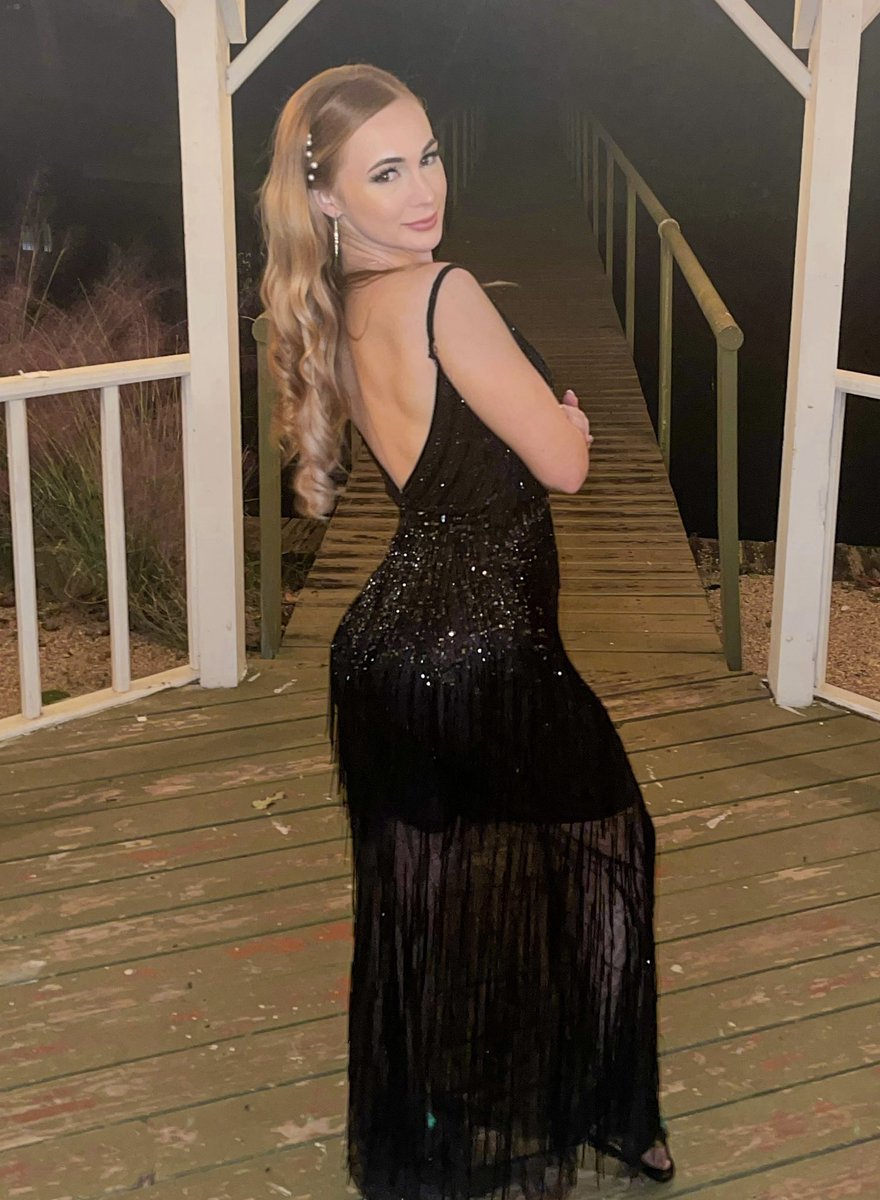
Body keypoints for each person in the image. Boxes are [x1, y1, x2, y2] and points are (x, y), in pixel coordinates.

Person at [258, 63, 674, 1200]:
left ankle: (444, 1123)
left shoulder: (340, 307)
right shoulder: (444, 292)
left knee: (431, 899)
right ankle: (596, 1108)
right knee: (610, 844)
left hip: (384, 656)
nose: (425, 188)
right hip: (483, 650)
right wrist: (569, 419)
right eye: (387, 172)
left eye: (429, 157)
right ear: (328, 197)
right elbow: (565, 468)